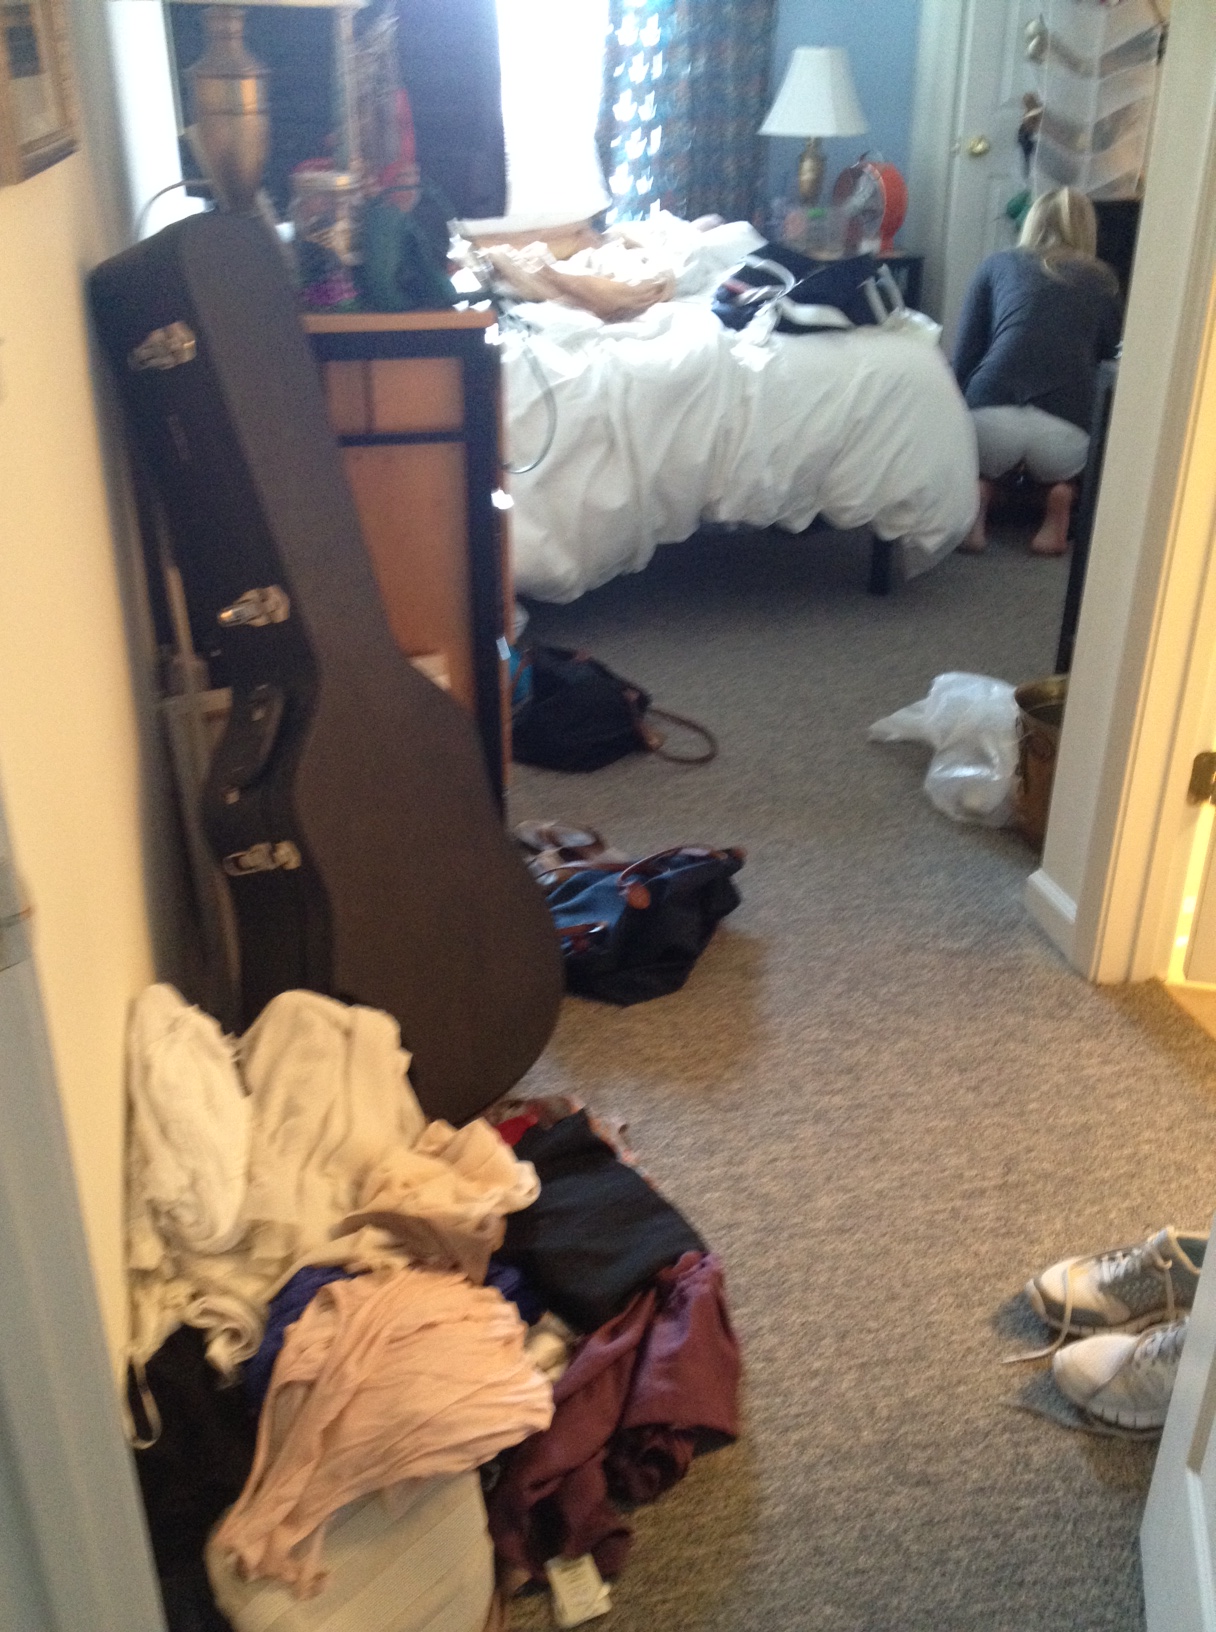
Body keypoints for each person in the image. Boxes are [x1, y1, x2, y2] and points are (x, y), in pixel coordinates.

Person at [952, 186, 1122, 556]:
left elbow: (965, 354)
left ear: (1030, 222)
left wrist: (957, 421)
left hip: (989, 418)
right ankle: (1059, 497)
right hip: (1064, 431)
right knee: (1061, 470)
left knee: (984, 467)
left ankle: (980, 494)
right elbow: (1111, 366)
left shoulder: (995, 265)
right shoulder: (1104, 280)